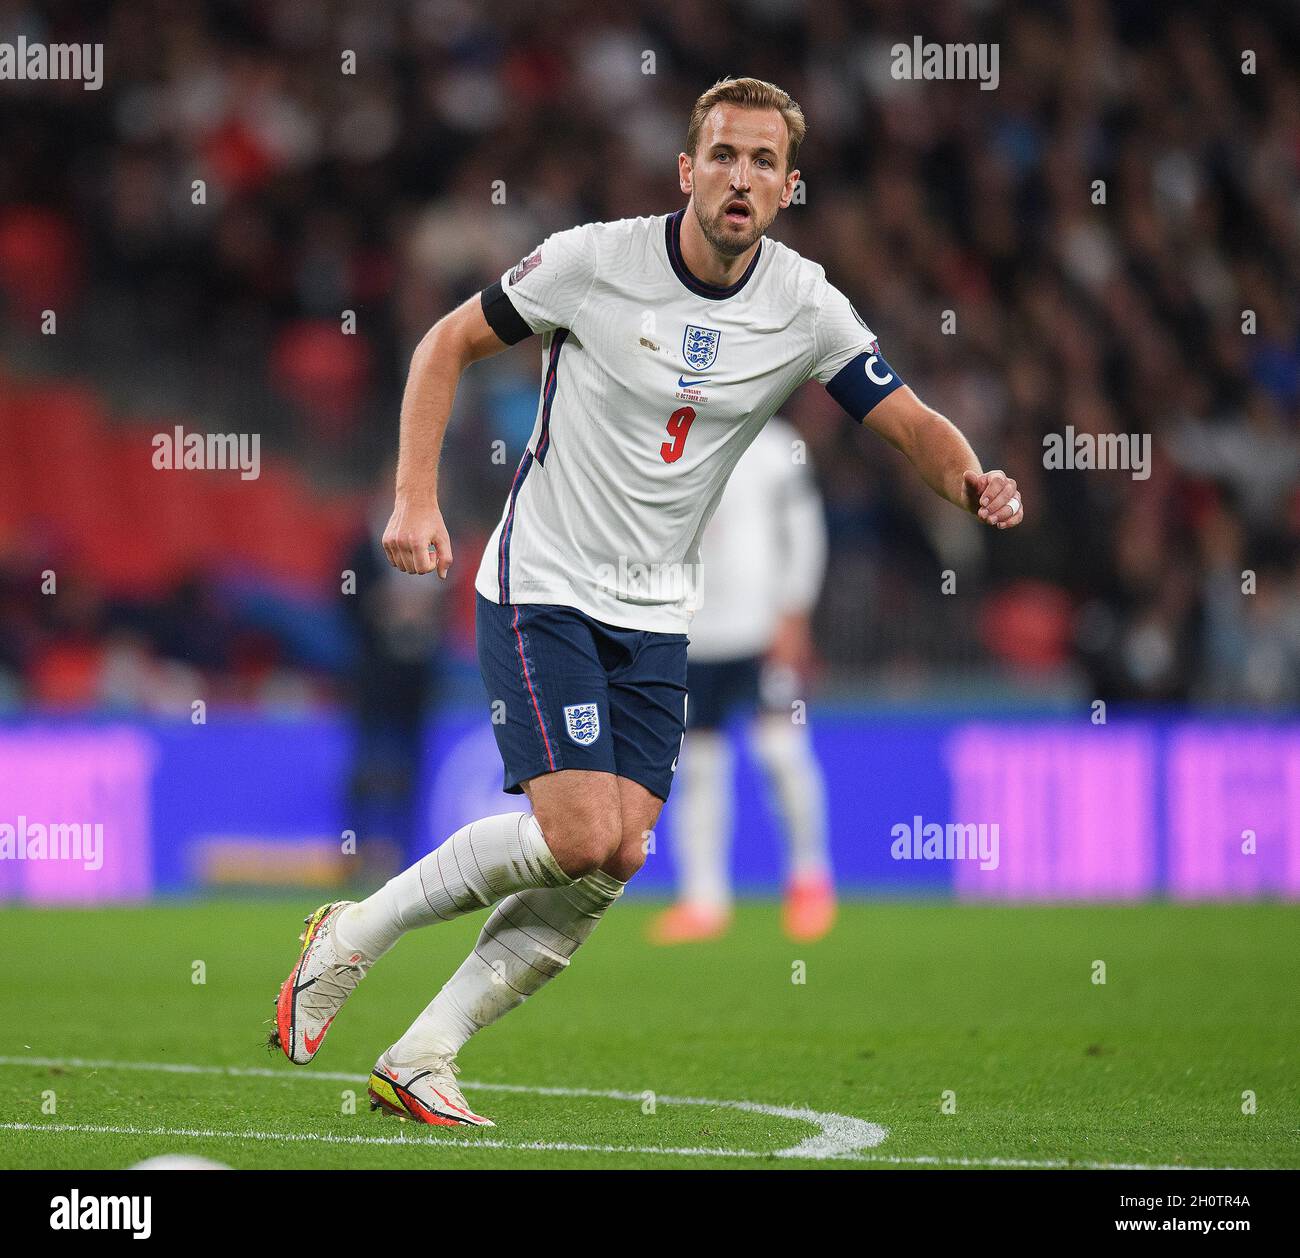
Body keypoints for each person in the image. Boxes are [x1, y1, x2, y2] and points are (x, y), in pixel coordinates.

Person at [270, 76, 1025, 1128]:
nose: (740, 177)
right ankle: (353, 934)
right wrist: (413, 497)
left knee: (617, 856)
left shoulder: (802, 304)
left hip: (659, 609)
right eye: (723, 154)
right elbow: (444, 342)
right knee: (580, 834)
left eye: (764, 163)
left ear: (788, 188)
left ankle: (423, 1052)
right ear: (685, 169)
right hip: (546, 582)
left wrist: (973, 476)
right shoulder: (591, 263)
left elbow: (904, 419)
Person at [649, 415, 834, 945]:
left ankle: (809, 880)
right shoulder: (667, 438)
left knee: (780, 752)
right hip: (690, 630)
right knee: (699, 765)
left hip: (760, 629)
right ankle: (703, 901)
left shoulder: (777, 446)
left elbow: (804, 532)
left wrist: (795, 611)